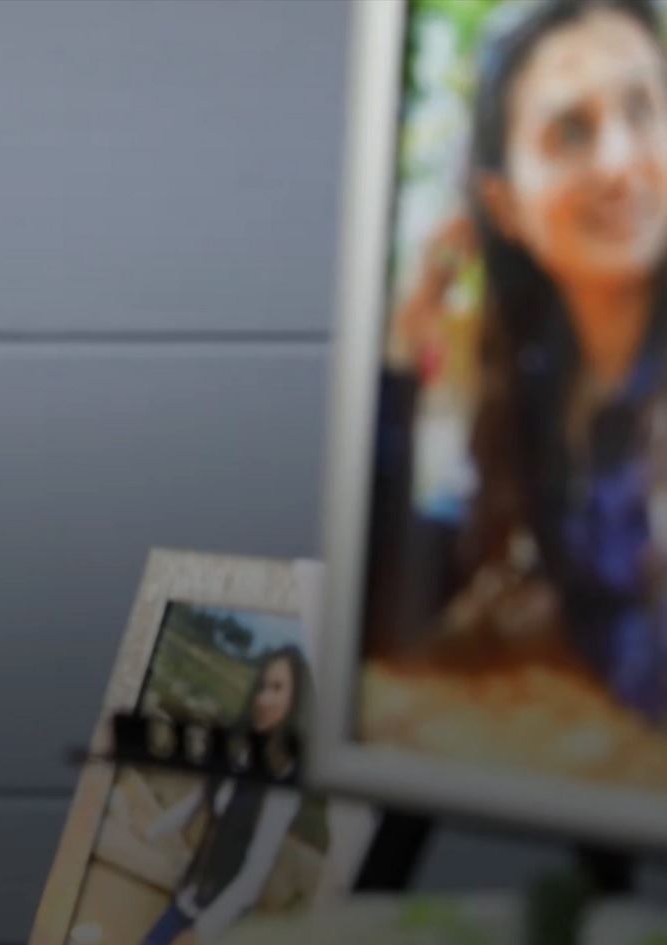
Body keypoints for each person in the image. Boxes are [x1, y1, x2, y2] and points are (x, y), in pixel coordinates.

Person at [370, 0, 667, 722]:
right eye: (572, 130)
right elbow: (389, 597)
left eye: (644, 109)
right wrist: (402, 350)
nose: (619, 163)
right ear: (502, 203)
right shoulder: (538, 385)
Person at [130, 647, 309, 945]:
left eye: (277, 688)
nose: (263, 698)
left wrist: (202, 931)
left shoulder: (285, 777)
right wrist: (149, 832)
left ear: (296, 701)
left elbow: (256, 871)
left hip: (221, 922)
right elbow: (194, 803)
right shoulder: (239, 749)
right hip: (189, 898)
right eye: (262, 687)